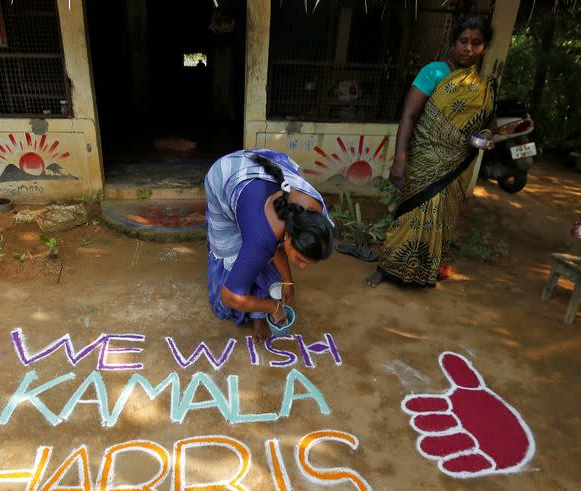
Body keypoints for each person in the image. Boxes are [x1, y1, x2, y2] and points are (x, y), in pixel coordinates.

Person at [364, 15, 497, 288]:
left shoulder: (484, 86)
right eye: (463, 41)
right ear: (453, 42)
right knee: (410, 214)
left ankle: (423, 271)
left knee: (441, 220)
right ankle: (386, 268)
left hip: (457, 165)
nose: (469, 49)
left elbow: (489, 126)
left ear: (484, 47)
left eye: (476, 43)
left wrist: (488, 137)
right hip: (425, 159)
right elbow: (409, 115)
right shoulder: (434, 72)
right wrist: (399, 159)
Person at [205, 149, 335, 341]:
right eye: (300, 259)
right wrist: (273, 307)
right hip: (224, 175)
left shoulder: (316, 213)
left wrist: (287, 279)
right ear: (288, 237)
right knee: (233, 253)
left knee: (258, 254)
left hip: (259, 177)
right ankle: (257, 313)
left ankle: (259, 310)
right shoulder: (263, 237)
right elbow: (230, 296)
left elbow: (276, 245)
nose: (303, 266)